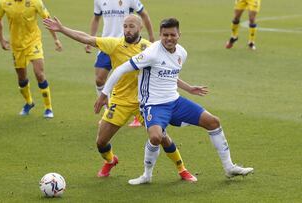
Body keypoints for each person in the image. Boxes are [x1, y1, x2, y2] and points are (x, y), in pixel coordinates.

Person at [95, 18, 254, 185]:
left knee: (213, 122)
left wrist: (189, 88)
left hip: (175, 101)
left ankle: (229, 167)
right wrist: (103, 94)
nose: (169, 38)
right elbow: (121, 69)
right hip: (153, 105)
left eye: (172, 35)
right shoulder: (151, 53)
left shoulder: (182, 53)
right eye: (165, 35)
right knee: (156, 137)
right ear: (160, 35)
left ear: (179, 35)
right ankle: (147, 175)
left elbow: (170, 74)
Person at [43, 15, 197, 182]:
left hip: (144, 103)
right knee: (101, 142)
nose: (127, 30)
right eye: (125, 26)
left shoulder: (149, 48)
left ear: (140, 28)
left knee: (162, 138)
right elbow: (87, 38)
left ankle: (182, 169)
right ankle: (110, 160)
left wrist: (188, 87)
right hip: (119, 102)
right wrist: (62, 29)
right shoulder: (115, 44)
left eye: (131, 26)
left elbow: (167, 72)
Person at [87, 0, 155, 127]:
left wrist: (151, 36)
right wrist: (91, 37)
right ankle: (108, 111)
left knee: (132, 79)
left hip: (126, 45)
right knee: (99, 80)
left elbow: (144, 14)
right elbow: (96, 18)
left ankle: (137, 112)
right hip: (108, 43)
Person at [0, 0, 62, 118]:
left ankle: (48, 108)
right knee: (21, 78)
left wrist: (55, 39)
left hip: (33, 42)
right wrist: (1, 39)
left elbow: (47, 18)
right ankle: (29, 102)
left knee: (39, 74)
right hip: (16, 46)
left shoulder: (35, 2)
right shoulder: (4, 2)